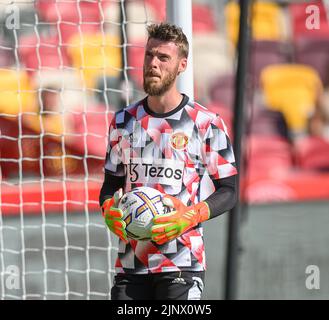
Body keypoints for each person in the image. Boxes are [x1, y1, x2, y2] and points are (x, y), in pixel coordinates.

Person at [99, 23, 238, 300]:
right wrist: (107, 210)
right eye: (149, 55)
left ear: (181, 65)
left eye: (163, 58)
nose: (153, 63)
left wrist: (189, 215)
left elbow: (230, 190)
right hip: (131, 266)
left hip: (182, 264)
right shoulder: (123, 121)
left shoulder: (205, 123)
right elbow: (110, 185)